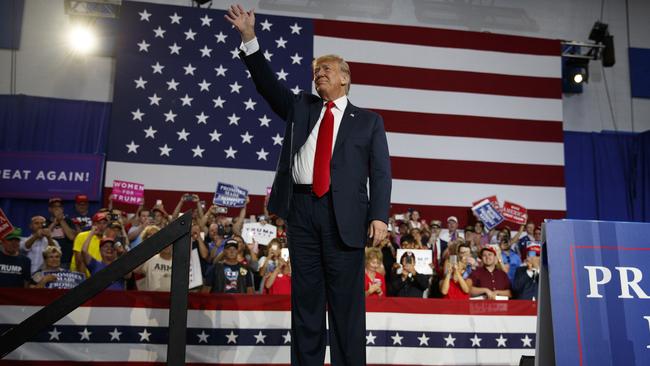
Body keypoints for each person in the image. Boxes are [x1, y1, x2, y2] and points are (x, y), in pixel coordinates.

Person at [226, 5, 392, 365]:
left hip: (344, 217)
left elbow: (380, 172)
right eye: (316, 71)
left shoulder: (369, 122)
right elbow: (267, 85)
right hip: (302, 211)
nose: (318, 74)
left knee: (347, 306)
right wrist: (249, 38)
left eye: (326, 70)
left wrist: (379, 216)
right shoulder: (302, 106)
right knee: (306, 302)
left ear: (345, 77)